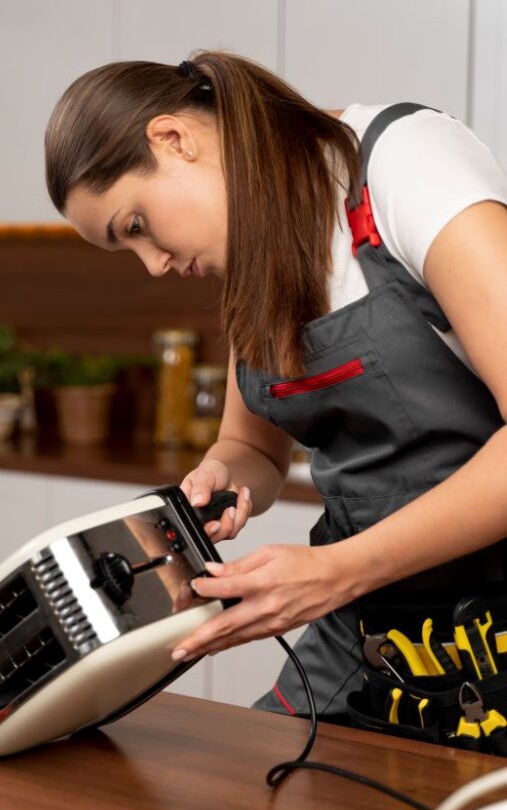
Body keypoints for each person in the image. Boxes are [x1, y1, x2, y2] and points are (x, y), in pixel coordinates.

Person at [44, 50, 507, 725]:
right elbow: (251, 447)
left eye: (137, 226)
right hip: (367, 631)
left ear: (174, 139)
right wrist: (225, 477)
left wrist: (340, 569)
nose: (154, 266)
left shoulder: (404, 164)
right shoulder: (253, 246)